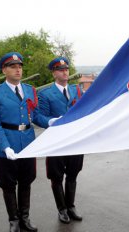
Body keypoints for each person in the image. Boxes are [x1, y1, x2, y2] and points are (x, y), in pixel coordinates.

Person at [0, 52, 55, 232]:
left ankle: (25, 217)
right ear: (4, 70)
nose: (18, 70)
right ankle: (13, 220)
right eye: (13, 67)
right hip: (6, 146)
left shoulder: (30, 90)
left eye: (20, 66)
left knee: (26, 181)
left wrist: (49, 122)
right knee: (8, 185)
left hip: (28, 144)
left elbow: (36, 115)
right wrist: (5, 146)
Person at [38, 57, 84, 224]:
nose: (64, 72)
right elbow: (37, 115)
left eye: (66, 69)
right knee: (56, 177)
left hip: (74, 140)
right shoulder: (45, 94)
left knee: (73, 173)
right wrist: (49, 121)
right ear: (53, 73)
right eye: (60, 69)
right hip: (56, 141)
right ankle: (62, 209)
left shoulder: (77, 90)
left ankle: (71, 206)